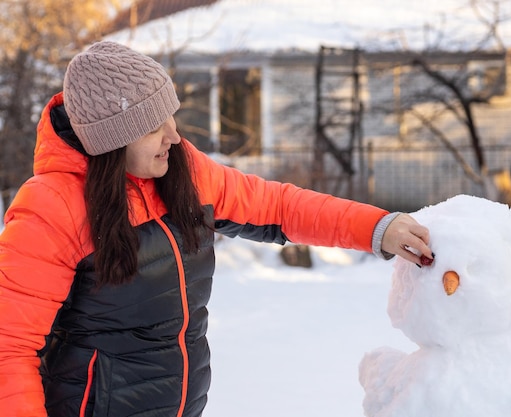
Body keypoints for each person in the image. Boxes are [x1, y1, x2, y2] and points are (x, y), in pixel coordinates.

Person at [0, 41, 432, 417]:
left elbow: (278, 206)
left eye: (172, 117)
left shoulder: (180, 173)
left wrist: (378, 227)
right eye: (154, 126)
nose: (174, 135)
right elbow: (9, 349)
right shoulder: (52, 207)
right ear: (113, 139)